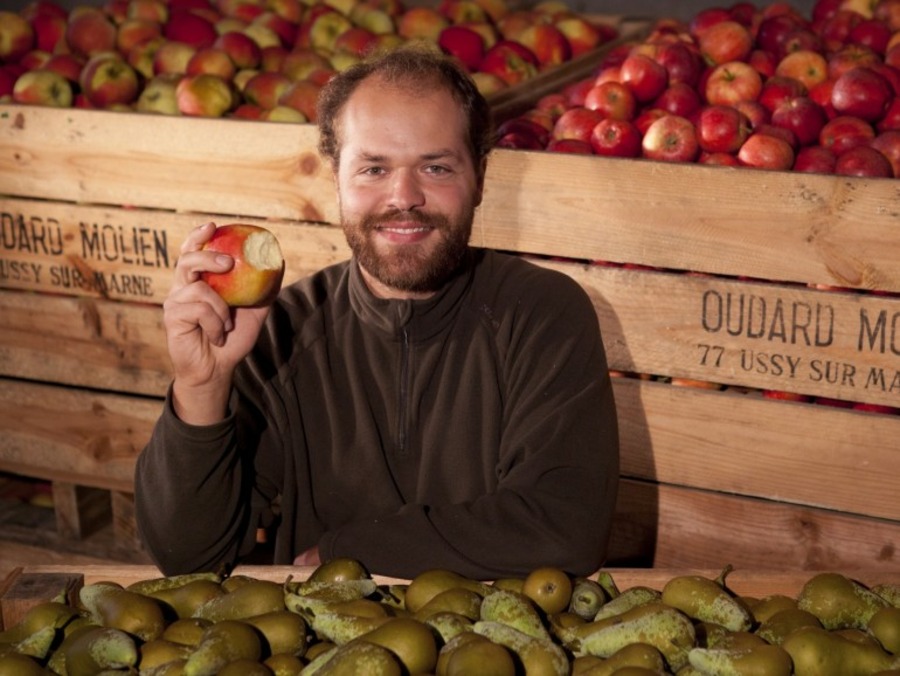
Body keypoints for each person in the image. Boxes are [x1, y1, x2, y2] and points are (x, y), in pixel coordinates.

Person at [134, 45, 619, 581]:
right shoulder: (281, 330)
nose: (403, 196)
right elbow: (189, 558)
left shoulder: (542, 313)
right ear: (335, 179)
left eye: (435, 167)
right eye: (373, 169)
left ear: (479, 178)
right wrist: (202, 384)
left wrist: (352, 552)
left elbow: (564, 526)